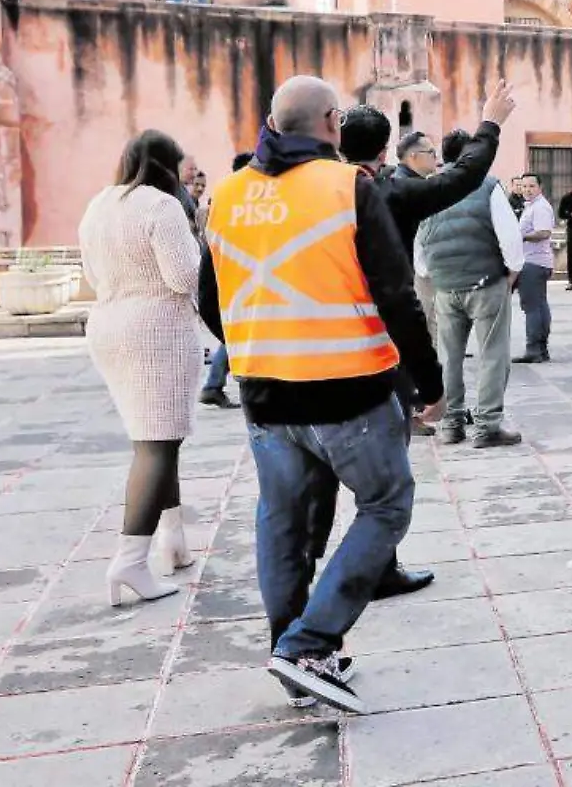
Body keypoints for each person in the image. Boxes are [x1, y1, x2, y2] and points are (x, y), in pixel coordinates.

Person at [200, 75, 445, 715]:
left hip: (264, 394)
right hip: (346, 392)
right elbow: (396, 295)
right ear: (334, 123)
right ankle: (310, 643)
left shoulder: (226, 196)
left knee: (283, 522)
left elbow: (210, 297)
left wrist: (257, 344)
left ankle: (293, 654)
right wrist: (430, 381)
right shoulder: (347, 187)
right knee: (387, 504)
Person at [336, 91, 510, 600]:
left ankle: (358, 564)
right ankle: (373, 567)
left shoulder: (321, 188)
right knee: (387, 460)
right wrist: (490, 124)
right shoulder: (390, 193)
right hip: (380, 338)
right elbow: (465, 175)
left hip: (321, 339)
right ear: (389, 151)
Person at [80, 131, 203, 607]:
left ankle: (173, 538)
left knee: (154, 439)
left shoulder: (99, 205)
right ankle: (131, 560)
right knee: (156, 445)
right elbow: (183, 277)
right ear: (167, 167)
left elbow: (92, 274)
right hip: (156, 330)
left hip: (109, 324)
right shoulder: (161, 206)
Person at [415, 130, 525, 447]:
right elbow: (510, 237)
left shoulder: (427, 188)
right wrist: (511, 274)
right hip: (486, 281)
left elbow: (419, 249)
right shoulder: (487, 185)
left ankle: (451, 423)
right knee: (493, 354)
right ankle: (488, 425)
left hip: (445, 286)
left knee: (449, 356)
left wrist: (434, 276)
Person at [200, 151, 253, 410]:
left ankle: (214, 384)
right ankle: (212, 385)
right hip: (236, 278)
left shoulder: (226, 197)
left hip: (235, 278)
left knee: (232, 333)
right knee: (231, 335)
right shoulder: (231, 199)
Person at [514, 175, 557, 364]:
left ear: (540, 187)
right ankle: (541, 349)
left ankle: (534, 349)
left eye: (531, 186)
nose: (527, 190)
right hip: (534, 262)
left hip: (534, 263)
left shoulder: (540, 207)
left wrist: (520, 237)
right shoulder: (530, 206)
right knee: (538, 305)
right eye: (524, 186)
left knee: (532, 307)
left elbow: (543, 233)